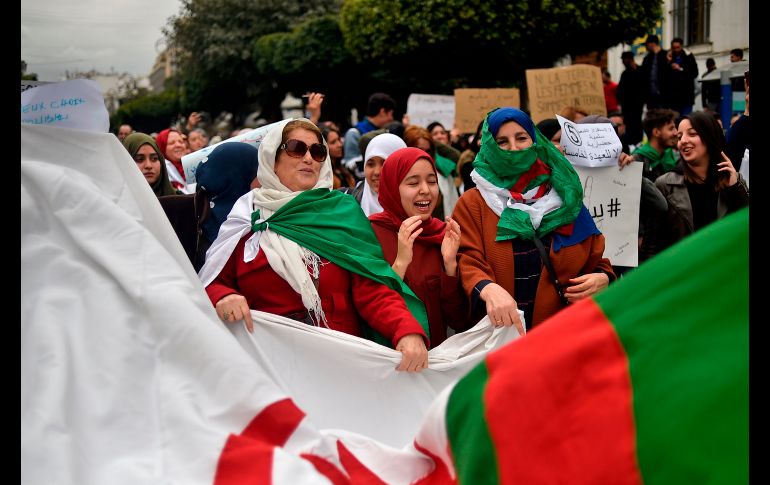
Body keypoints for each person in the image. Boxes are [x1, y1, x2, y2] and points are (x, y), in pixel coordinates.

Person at [199, 119, 430, 371]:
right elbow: (212, 281)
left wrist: (405, 330)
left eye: (318, 152)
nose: (309, 158)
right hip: (273, 367)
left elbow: (372, 288)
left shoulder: (342, 213)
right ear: (271, 158)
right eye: (297, 148)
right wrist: (223, 296)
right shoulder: (247, 217)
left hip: (341, 364)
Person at [452, 107, 615, 331]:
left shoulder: (564, 194)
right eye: (502, 141)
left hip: (562, 336)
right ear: (489, 146)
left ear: (535, 140)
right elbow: (467, 259)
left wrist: (603, 278)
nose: (514, 148)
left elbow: (595, 256)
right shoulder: (474, 203)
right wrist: (487, 288)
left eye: (521, 138)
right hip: (500, 338)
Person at [369, 147, 471, 346]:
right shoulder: (371, 233)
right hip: (388, 360)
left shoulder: (442, 236)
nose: (425, 189)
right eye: (413, 183)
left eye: (432, 182)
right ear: (392, 186)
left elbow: (458, 321)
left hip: (432, 363)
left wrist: (450, 265)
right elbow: (371, 307)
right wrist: (400, 263)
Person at [646, 112, 748, 256]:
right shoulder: (665, 185)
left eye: (692, 134)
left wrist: (735, 188)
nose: (683, 141)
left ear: (709, 137)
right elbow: (651, 246)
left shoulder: (733, 181)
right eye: (679, 137)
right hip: (681, 273)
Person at [403, 125, 460, 219]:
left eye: (428, 151)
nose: (424, 155)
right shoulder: (398, 178)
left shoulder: (443, 174)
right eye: (419, 150)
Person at [344, 133, 406, 215]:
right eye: (370, 164)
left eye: (385, 164)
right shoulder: (348, 203)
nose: (377, 172)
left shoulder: (420, 204)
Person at [342, 92, 397, 180]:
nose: (392, 118)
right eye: (391, 114)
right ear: (382, 112)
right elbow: (351, 167)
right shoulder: (354, 133)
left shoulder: (386, 133)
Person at [631, 108, 680, 183]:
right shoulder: (637, 160)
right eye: (671, 129)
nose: (676, 133)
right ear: (656, 132)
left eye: (675, 128)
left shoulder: (672, 155)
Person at [122, 133, 177, 197]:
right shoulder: (115, 203)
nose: (148, 166)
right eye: (139, 159)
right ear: (125, 162)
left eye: (154, 158)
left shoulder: (179, 200)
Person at [617, 51, 645, 146]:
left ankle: (637, 143)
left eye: (624, 60)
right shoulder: (625, 73)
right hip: (628, 107)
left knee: (636, 124)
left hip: (636, 106)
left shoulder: (639, 71)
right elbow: (620, 91)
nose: (623, 62)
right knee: (629, 126)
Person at [666, 37, 699, 115]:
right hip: (673, 98)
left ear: (681, 46)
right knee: (675, 121)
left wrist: (680, 68)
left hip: (686, 96)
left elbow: (695, 72)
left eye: (678, 47)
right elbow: (665, 76)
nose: (676, 50)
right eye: (674, 48)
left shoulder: (688, 56)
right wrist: (668, 61)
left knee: (685, 120)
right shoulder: (669, 57)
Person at [156, 128, 191, 193]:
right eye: (172, 143)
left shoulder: (192, 165)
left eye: (181, 142)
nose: (178, 145)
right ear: (162, 147)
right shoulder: (159, 173)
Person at [320, 124, 355, 189]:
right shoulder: (323, 176)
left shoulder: (343, 169)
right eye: (333, 142)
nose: (340, 145)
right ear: (323, 147)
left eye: (339, 140)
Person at [640, 35, 670, 110]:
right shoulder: (647, 59)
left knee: (663, 116)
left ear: (652, 44)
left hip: (664, 95)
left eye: (647, 45)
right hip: (651, 96)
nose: (646, 47)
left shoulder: (666, 55)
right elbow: (643, 77)